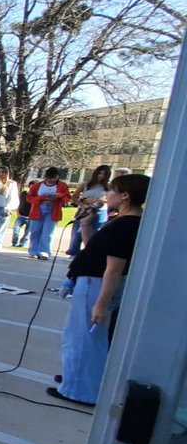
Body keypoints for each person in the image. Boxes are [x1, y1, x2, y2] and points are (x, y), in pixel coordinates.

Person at [49, 174, 148, 406]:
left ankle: (79, 390)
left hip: (97, 284)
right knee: (84, 337)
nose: (107, 195)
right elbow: (93, 249)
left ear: (125, 195)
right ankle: (79, 378)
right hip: (92, 280)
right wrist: (85, 225)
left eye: (112, 190)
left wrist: (102, 304)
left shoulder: (126, 226)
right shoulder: (120, 221)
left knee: (84, 338)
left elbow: (114, 269)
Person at [26, 167, 71, 260]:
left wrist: (59, 195)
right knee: (35, 231)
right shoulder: (38, 185)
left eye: (54, 178)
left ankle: (44, 251)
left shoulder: (62, 186)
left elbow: (67, 198)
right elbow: (29, 198)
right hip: (38, 210)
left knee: (48, 232)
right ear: (45, 177)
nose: (52, 180)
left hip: (53, 210)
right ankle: (33, 250)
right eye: (49, 178)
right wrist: (42, 198)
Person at [67, 165, 111, 256]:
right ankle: (74, 252)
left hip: (99, 211)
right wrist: (82, 205)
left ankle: (91, 253)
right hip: (84, 210)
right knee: (77, 232)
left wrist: (98, 200)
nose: (101, 176)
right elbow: (74, 197)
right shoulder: (86, 184)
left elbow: (111, 200)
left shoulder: (109, 186)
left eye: (104, 174)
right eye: (99, 173)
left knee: (95, 233)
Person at [12, 180, 37, 248]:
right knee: (15, 230)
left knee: (27, 233)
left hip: (30, 217)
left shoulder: (36, 196)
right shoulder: (23, 194)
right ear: (29, 186)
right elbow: (18, 203)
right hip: (21, 215)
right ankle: (14, 243)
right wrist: (18, 212)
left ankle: (22, 244)